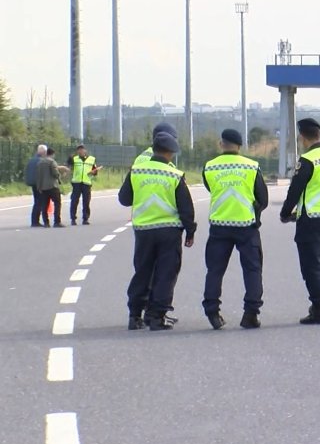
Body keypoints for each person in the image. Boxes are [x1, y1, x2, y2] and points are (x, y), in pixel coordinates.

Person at [118, 132, 197, 331]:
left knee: (142, 271)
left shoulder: (136, 171)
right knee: (165, 273)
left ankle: (135, 315)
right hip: (169, 232)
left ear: (153, 150)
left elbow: (124, 199)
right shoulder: (174, 175)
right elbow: (186, 207)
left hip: (143, 231)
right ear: (171, 153)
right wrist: (190, 231)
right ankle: (156, 316)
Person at [201, 129, 269, 330]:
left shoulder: (209, 167)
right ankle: (251, 314)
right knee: (252, 270)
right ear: (240, 146)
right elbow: (263, 199)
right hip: (246, 227)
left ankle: (212, 312)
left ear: (221, 144)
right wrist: (254, 213)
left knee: (215, 270)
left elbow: (211, 189)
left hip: (219, 227)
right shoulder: (252, 166)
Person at [280, 117, 320, 325]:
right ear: (319, 134)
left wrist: (285, 212)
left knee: (310, 265)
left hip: (310, 218)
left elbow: (295, 189)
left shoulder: (308, 160)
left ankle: (319, 308)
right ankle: (318, 305)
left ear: (302, 137)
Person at [67, 144, 101, 225]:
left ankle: (85, 218)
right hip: (76, 183)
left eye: (82, 149)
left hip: (86, 183)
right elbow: (68, 166)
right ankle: (73, 219)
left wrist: (94, 172)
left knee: (86, 201)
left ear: (85, 150)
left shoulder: (92, 159)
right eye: (79, 150)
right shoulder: (74, 159)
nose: (81, 151)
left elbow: (95, 171)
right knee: (74, 201)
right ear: (77, 151)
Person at [36, 147, 66, 228]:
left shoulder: (40, 163)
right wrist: (61, 176)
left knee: (44, 205)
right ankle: (57, 221)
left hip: (43, 187)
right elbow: (55, 174)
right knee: (57, 203)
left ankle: (46, 222)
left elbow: (38, 176)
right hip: (53, 186)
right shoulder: (52, 162)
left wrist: (39, 187)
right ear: (53, 154)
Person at [24, 145, 46, 227]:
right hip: (39, 183)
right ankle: (35, 221)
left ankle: (34, 220)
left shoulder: (31, 160)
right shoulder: (41, 161)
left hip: (32, 183)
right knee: (39, 202)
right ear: (43, 152)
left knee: (36, 201)